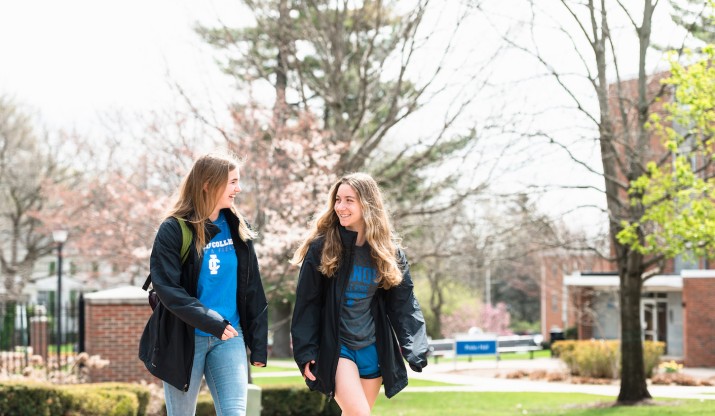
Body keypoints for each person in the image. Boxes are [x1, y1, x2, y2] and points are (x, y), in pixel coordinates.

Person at [139, 152, 268, 416]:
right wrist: (211, 321)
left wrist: (258, 343)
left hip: (229, 336)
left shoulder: (238, 226)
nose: (238, 188)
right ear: (208, 184)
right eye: (232, 182)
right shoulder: (174, 229)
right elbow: (168, 290)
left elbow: (252, 287)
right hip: (183, 338)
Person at [290, 172, 429, 415]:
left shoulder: (387, 253)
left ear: (368, 204)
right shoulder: (323, 247)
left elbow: (404, 304)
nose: (340, 207)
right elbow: (307, 304)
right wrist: (306, 352)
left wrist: (415, 347)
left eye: (349, 200)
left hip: (372, 347)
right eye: (338, 200)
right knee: (359, 413)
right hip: (337, 347)